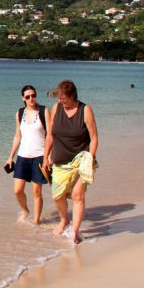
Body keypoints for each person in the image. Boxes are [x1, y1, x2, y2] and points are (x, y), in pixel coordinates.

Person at [43, 80, 99, 244]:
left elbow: (94, 137)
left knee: (77, 195)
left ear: (72, 96)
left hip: (82, 160)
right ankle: (64, 220)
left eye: (63, 99)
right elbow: (50, 135)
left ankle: (74, 231)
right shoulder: (56, 108)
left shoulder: (85, 110)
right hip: (60, 160)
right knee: (57, 195)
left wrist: (90, 158)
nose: (61, 101)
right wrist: (46, 156)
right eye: (59, 98)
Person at [4, 85, 50, 225]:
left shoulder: (44, 111)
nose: (31, 98)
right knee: (17, 190)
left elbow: (50, 136)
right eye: (28, 96)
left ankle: (36, 222)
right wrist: (11, 156)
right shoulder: (19, 113)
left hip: (39, 156)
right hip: (23, 156)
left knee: (36, 192)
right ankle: (25, 210)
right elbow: (18, 135)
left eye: (33, 95)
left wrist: (48, 157)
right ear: (23, 98)